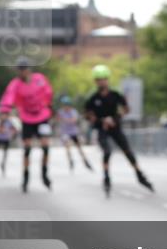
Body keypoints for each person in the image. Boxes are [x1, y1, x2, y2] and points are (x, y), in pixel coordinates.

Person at [84, 64, 154, 196]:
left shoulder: (115, 95)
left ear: (107, 79)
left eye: (104, 79)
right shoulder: (93, 98)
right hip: (102, 128)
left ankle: (139, 174)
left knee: (127, 151)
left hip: (115, 127)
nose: (102, 82)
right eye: (99, 80)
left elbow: (126, 109)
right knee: (107, 151)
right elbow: (88, 115)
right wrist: (101, 121)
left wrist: (115, 118)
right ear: (95, 81)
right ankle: (106, 177)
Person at [0, 57, 55, 192]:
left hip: (42, 116)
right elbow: (9, 97)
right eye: (20, 70)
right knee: (27, 149)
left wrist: (47, 104)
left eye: (24, 69)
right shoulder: (15, 84)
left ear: (29, 69)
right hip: (27, 118)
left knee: (45, 147)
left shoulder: (39, 79)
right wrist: (5, 110)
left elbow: (48, 92)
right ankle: (25, 177)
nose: (22, 72)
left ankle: (44, 173)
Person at [56, 96, 93, 171]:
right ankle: (71, 161)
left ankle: (85, 160)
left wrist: (65, 120)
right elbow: (58, 120)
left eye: (67, 104)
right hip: (65, 132)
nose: (66, 106)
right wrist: (65, 120)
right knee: (67, 147)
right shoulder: (61, 112)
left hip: (73, 132)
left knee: (79, 147)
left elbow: (74, 120)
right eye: (64, 105)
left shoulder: (73, 111)